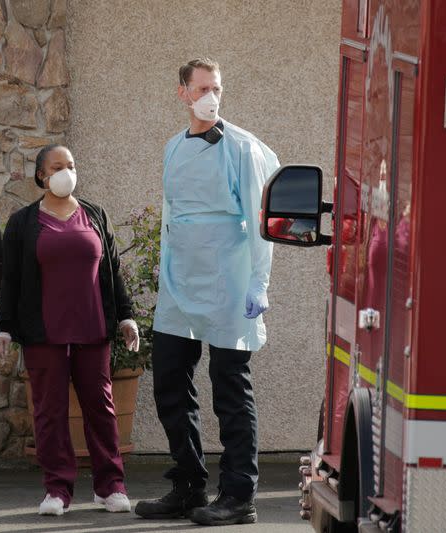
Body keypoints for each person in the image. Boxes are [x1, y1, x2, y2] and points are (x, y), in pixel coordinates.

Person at [134, 58, 279, 526]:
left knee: (230, 387)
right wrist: (165, 278)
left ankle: (239, 495)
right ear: (183, 94)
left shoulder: (241, 148)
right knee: (170, 381)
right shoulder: (173, 148)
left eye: (216, 87)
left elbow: (262, 221)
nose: (210, 96)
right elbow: (170, 215)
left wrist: (260, 283)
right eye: (201, 88)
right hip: (181, 282)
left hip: (229, 280)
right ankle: (189, 485)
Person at [0, 144, 140, 516]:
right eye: (57, 166)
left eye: (71, 165)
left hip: (93, 328)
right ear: (41, 175)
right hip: (44, 333)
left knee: (101, 409)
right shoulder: (23, 223)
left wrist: (125, 316)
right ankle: (57, 489)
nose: (66, 172)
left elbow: (113, 271)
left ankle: (111, 486)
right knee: (49, 411)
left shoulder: (94, 214)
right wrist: (5, 327)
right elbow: (10, 280)